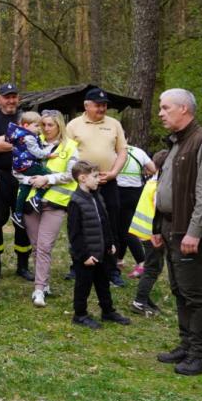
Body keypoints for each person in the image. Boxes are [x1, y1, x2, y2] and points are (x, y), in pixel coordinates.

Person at [152, 88, 202, 376]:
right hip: (169, 225)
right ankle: (187, 344)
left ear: (184, 109)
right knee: (179, 288)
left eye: (166, 107)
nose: (160, 113)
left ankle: (201, 353)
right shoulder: (177, 142)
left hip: (188, 229)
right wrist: (157, 227)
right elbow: (164, 186)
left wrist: (195, 232)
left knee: (194, 292)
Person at [65, 88, 129, 286]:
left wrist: (114, 172)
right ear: (86, 105)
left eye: (104, 105)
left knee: (111, 223)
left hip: (108, 182)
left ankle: (112, 269)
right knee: (80, 224)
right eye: (98, 105)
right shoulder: (73, 125)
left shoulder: (114, 124)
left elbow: (122, 152)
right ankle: (78, 264)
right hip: (83, 184)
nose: (102, 108)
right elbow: (66, 154)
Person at [22, 111, 79, 308]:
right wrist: (30, 179)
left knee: (45, 246)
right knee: (36, 246)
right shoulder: (31, 143)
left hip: (55, 202)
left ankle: (38, 289)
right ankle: (44, 282)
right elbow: (18, 167)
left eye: (50, 125)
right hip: (30, 200)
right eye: (43, 125)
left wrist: (48, 178)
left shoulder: (70, 146)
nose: (46, 129)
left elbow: (72, 174)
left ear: (59, 126)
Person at [66, 161, 132, 329]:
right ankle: (80, 314)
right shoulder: (75, 202)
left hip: (102, 252)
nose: (98, 180)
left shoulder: (97, 196)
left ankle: (108, 311)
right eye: (95, 176)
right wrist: (84, 256)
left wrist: (110, 243)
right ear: (82, 178)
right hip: (86, 255)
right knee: (83, 285)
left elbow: (105, 222)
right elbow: (74, 233)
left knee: (103, 283)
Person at [0, 83, 33, 281]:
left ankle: (23, 265)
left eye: (14, 96)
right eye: (7, 97)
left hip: (24, 176)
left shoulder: (26, 117)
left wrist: (5, 141)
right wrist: (19, 141)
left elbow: (34, 139)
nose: (11, 100)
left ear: (18, 98)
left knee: (23, 219)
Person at [128, 150, 168, 317]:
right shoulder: (159, 187)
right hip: (152, 234)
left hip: (145, 232)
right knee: (152, 268)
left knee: (154, 266)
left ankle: (144, 297)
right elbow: (161, 209)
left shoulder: (152, 182)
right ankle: (139, 301)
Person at [113, 140, 155, 277]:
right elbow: (153, 169)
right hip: (137, 192)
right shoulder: (139, 151)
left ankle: (142, 262)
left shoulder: (113, 152)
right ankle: (119, 259)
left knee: (126, 230)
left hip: (119, 192)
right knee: (122, 227)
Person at [8, 110, 55, 227]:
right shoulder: (29, 137)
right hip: (29, 165)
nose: (39, 128)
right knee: (49, 176)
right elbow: (37, 153)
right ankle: (37, 198)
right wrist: (49, 152)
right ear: (26, 125)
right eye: (36, 125)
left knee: (24, 189)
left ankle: (18, 214)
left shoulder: (19, 135)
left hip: (20, 166)